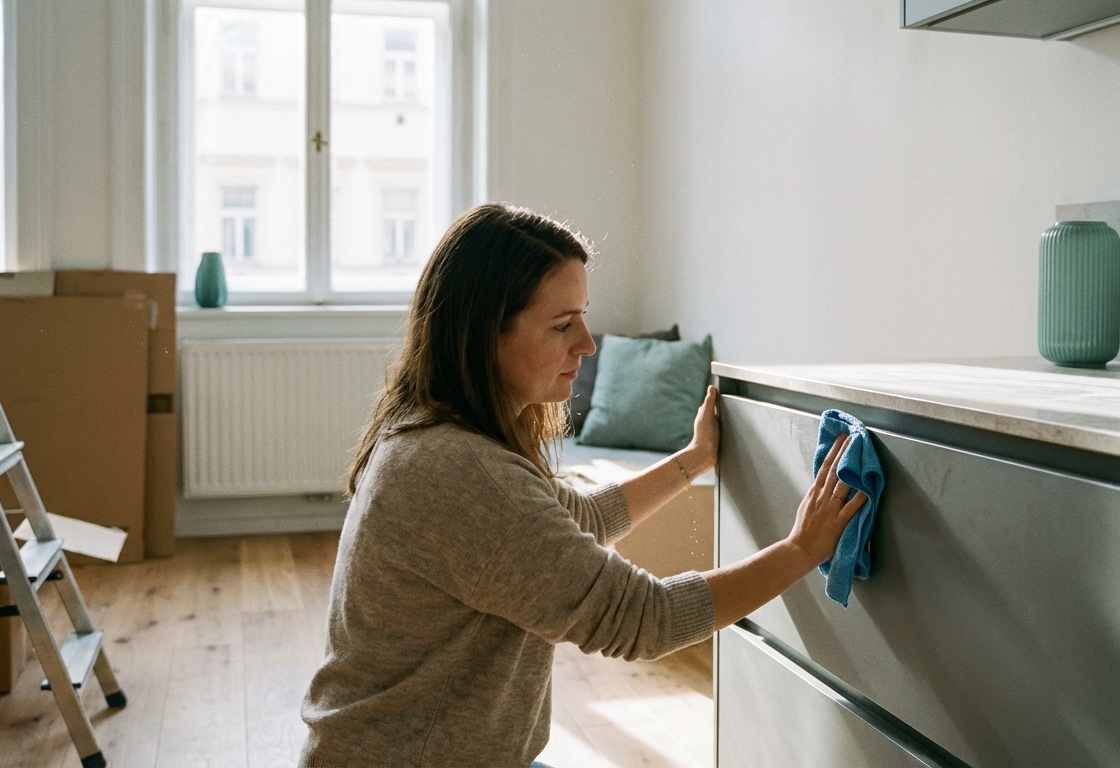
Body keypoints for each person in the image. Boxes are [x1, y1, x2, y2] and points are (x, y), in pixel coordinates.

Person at [299, 203, 867, 767]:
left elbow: (577, 519)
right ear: (486, 334)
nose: (588, 344)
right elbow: (647, 617)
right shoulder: (458, 472)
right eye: (562, 325)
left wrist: (693, 460)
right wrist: (801, 550)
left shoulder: (439, 435)